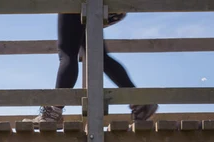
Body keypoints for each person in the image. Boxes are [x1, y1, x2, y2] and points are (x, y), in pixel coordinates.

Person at [29, 12, 158, 125]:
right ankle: (140, 102)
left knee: (67, 53)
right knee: (100, 57)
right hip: (93, 5)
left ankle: (53, 113)